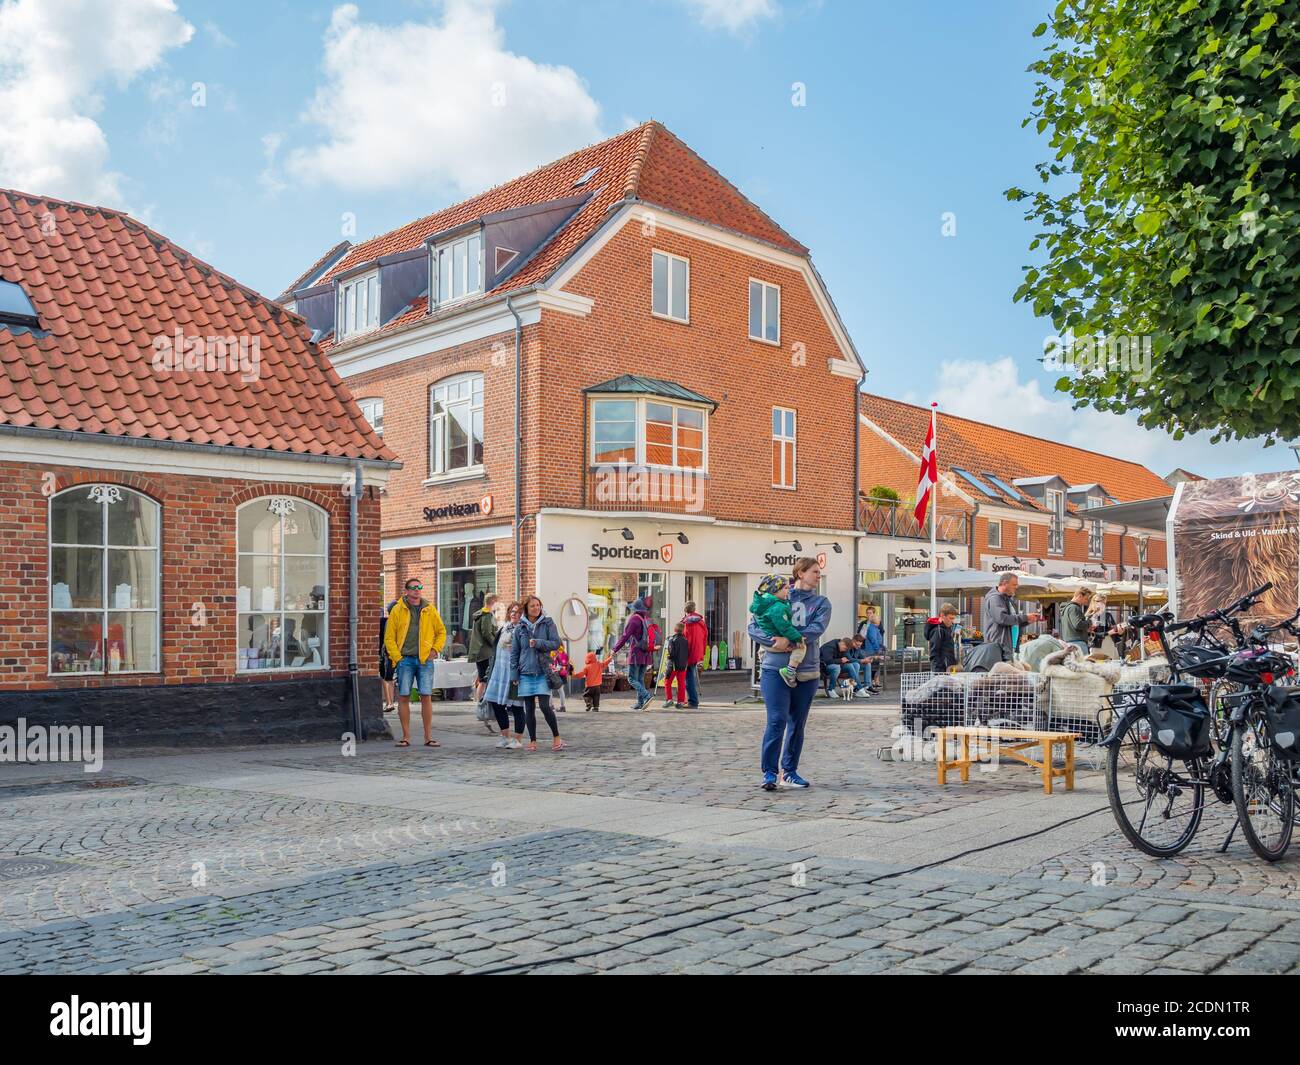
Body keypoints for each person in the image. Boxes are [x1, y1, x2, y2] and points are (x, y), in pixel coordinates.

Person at [749, 557, 830, 791]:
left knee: (797, 723)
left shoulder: (822, 602)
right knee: (776, 720)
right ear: (801, 573)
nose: (818, 576)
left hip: (807, 671)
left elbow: (817, 628)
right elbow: (754, 626)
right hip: (774, 669)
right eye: (815, 571)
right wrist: (778, 643)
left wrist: (793, 639)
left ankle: (790, 771)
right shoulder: (778, 594)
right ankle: (769, 772)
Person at [383, 578, 447, 748]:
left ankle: (428, 737)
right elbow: (389, 638)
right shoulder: (397, 610)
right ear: (406, 591)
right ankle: (406, 736)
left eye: (419, 587)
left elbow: (441, 631)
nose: (417, 590)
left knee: (426, 696)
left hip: (425, 659)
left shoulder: (430, 609)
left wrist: (435, 650)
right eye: (413, 588)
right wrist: (397, 658)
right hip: (405, 659)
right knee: (403, 696)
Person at [511, 595, 565, 751]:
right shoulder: (520, 627)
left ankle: (557, 737)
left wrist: (538, 643)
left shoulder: (548, 623)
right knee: (529, 708)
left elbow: (556, 643)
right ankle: (533, 740)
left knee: (544, 706)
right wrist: (514, 674)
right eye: (533, 606)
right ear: (526, 609)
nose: (536, 608)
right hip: (525, 672)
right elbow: (515, 652)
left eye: (538, 605)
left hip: (542, 671)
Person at [750, 574, 808, 686]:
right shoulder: (777, 607)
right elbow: (784, 626)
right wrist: (797, 637)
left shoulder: (765, 603)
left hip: (766, 642)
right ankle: (789, 671)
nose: (789, 590)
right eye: (785, 588)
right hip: (775, 639)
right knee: (801, 647)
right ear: (775, 590)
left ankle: (763, 669)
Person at [485, 601, 525, 748]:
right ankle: (505, 735)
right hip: (499, 671)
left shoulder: (524, 629)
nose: (514, 614)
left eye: (518, 612)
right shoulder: (504, 628)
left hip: (514, 672)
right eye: (512, 611)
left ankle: (518, 739)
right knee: (495, 702)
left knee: (516, 706)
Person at [980, 573, 1042, 661]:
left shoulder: (1008, 600)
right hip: (999, 647)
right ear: (1004, 583)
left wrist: (1028, 620)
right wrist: (1025, 617)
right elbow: (1002, 618)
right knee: (1002, 674)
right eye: (1014, 584)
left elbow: (1012, 623)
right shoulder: (995, 599)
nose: (1016, 587)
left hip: (1008, 646)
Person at [611, 597, 655, 710]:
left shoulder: (634, 619)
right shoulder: (645, 618)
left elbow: (625, 636)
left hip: (636, 654)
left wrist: (615, 649)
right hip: (645, 654)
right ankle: (640, 703)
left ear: (634, 609)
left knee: (631, 678)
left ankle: (646, 696)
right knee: (640, 679)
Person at [467, 592, 500, 708]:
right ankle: (481, 704)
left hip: (480, 651)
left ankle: (480, 703)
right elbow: (486, 633)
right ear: (493, 602)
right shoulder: (486, 615)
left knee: (482, 678)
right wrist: (496, 643)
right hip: (485, 652)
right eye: (497, 603)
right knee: (484, 679)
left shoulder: (480, 614)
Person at [680, 602, 708, 709]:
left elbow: (684, 639)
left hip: (688, 652)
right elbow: (705, 637)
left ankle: (693, 701)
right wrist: (703, 652)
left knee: (688, 677)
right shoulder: (701, 622)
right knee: (691, 675)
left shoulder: (685, 623)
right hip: (697, 651)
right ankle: (692, 700)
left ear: (685, 610)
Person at [661, 622, 691, 708]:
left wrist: (668, 658)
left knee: (667, 682)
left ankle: (669, 699)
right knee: (681, 683)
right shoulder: (686, 640)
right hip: (683, 665)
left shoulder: (672, 640)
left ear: (675, 630)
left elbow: (671, 653)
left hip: (673, 665)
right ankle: (680, 702)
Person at [1058, 585, 1094, 655]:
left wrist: (1086, 628)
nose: (1087, 601)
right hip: (1078, 643)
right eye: (1086, 598)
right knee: (1083, 665)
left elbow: (1075, 625)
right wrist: (1090, 622)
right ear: (1080, 596)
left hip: (1070, 642)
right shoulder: (1074, 608)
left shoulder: (1068, 608)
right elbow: (1078, 624)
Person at [857, 605, 884, 692]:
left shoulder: (876, 624)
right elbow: (861, 634)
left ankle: (874, 681)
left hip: (873, 647)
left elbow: (881, 632)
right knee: (870, 664)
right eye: (867, 613)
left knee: (875, 665)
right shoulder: (864, 623)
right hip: (866, 647)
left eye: (870, 613)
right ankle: (869, 683)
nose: (869, 614)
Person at [378, 596, 398, 712]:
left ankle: (389, 703)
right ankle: (389, 702)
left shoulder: (386, 622)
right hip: (389, 653)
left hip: (388, 654)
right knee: (388, 677)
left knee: (387, 678)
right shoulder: (387, 622)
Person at [926, 603, 959, 671]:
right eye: (951, 618)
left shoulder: (947, 629)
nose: (952, 621)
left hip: (949, 667)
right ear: (942, 616)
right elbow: (934, 653)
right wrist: (939, 672)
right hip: (942, 670)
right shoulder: (938, 630)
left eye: (953, 619)